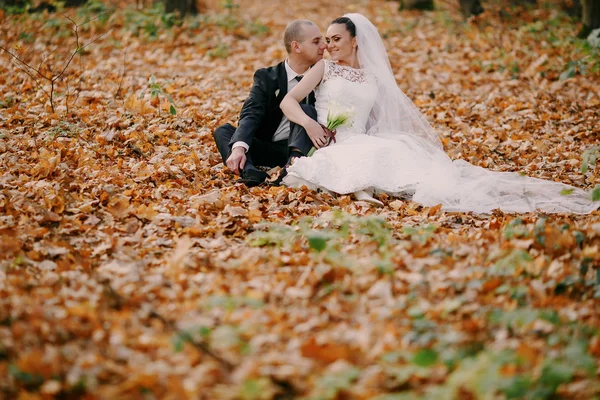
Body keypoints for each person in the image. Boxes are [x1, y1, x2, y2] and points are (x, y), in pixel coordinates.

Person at [279, 13, 599, 214]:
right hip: (334, 141)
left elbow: (384, 115)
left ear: (355, 42)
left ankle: (367, 188)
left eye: (336, 40)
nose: (329, 46)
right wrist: (308, 124)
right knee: (349, 158)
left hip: (362, 138)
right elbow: (289, 102)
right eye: (328, 40)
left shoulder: (373, 78)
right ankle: (360, 190)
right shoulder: (324, 68)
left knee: (407, 162)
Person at [213, 20, 327, 187]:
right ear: (296, 47)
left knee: (306, 109)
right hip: (267, 146)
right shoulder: (267, 77)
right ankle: (250, 171)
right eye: (316, 41)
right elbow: (251, 112)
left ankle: (291, 170)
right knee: (223, 131)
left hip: (304, 148)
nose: (324, 46)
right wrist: (239, 148)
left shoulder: (325, 77)